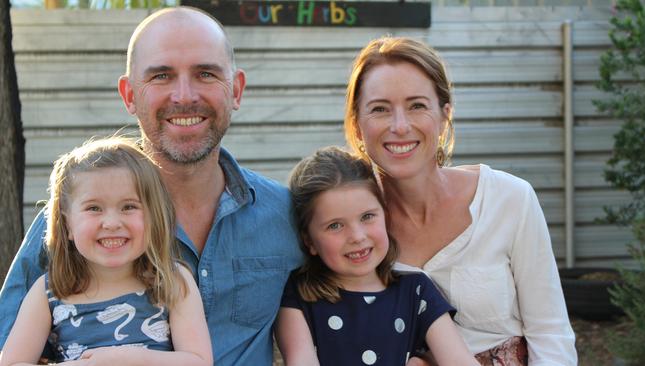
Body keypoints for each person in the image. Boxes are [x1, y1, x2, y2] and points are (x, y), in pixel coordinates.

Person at [0, 7, 302, 365]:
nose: (184, 96)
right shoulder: (71, 223)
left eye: (206, 73)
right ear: (129, 95)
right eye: (162, 76)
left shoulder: (286, 215)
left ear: (235, 89)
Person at [343, 36, 577, 365]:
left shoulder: (508, 199)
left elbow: (551, 334)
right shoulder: (345, 228)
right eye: (380, 109)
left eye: (417, 106)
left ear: (444, 116)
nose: (399, 126)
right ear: (357, 123)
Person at [0, 137, 212, 366]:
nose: (111, 223)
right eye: (94, 208)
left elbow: (199, 361)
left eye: (128, 207)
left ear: (153, 216)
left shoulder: (172, 281)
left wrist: (129, 359)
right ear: (68, 224)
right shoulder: (49, 292)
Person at [275, 146, 479, 366]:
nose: (357, 236)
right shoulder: (297, 296)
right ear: (309, 241)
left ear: (385, 215)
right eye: (335, 225)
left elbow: (459, 360)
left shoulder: (417, 291)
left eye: (367, 217)